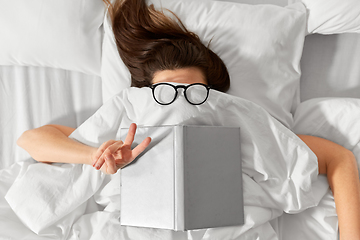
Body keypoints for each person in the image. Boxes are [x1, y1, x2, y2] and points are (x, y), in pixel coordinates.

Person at [16, 0, 360, 238]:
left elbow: (338, 159)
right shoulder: (121, 130)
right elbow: (31, 140)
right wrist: (93, 157)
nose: (179, 102)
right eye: (165, 93)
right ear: (146, 93)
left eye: (194, 93)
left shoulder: (244, 127)